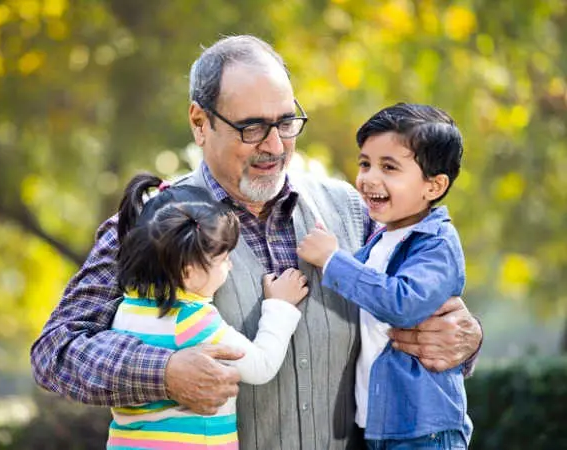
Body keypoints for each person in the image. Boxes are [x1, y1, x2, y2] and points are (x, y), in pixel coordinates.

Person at [30, 35, 483, 450]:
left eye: (286, 122)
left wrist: (467, 340)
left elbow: (408, 311)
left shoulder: (352, 210)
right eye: (252, 128)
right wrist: (164, 373)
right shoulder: (154, 225)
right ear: (199, 122)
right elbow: (57, 350)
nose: (275, 146)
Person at [298, 103, 472, 449]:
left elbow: (401, 303)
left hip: (421, 429)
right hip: (378, 424)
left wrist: (333, 260)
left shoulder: (435, 245)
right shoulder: (382, 236)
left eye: (389, 167)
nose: (369, 178)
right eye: (365, 163)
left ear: (434, 186)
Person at [106, 172, 308, 449]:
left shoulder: (126, 308)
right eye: (223, 259)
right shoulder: (193, 320)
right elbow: (261, 366)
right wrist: (280, 306)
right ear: (189, 272)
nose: (230, 266)